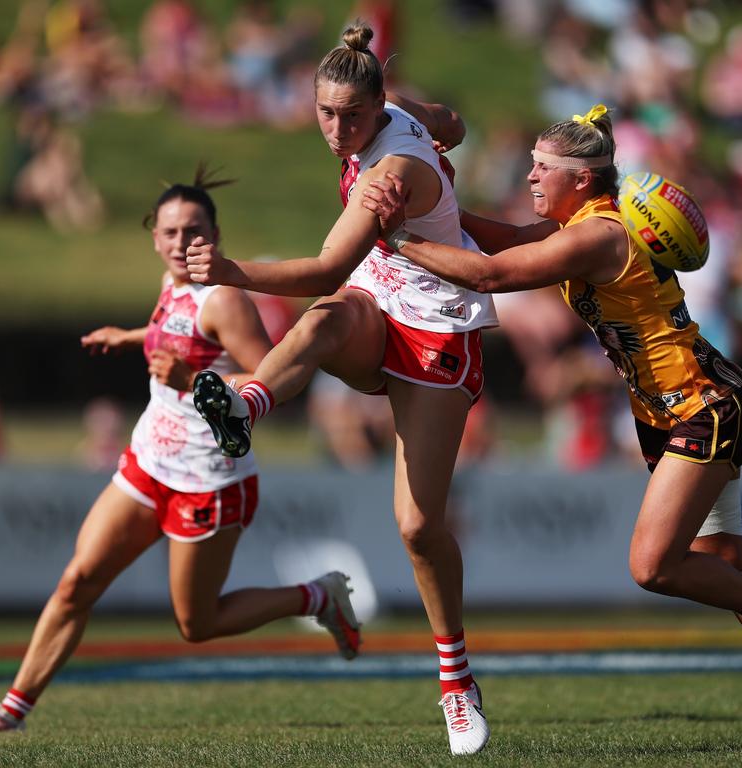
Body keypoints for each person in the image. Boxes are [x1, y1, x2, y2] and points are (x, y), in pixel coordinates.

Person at [361, 104, 742, 749]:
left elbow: (494, 273)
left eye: (542, 168)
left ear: (582, 180)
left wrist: (392, 236)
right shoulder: (581, 224)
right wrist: (434, 209)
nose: (530, 176)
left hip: (702, 407)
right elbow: (501, 238)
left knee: (652, 567)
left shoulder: (600, 235)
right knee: (722, 564)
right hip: (664, 415)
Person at [184, 23, 535, 756]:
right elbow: (455, 124)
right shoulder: (392, 112)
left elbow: (320, 267)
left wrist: (231, 270)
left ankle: (455, 680)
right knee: (327, 321)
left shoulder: (391, 174)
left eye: (350, 115)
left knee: (417, 527)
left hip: (439, 330)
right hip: (381, 305)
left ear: (376, 107)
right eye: (325, 114)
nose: (338, 130)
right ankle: (246, 406)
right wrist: (438, 122)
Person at [0, 168, 360, 735]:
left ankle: (317, 597)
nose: (181, 242)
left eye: (194, 231)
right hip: (149, 461)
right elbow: (174, 332)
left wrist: (194, 380)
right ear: (154, 237)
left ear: (215, 235)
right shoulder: (172, 283)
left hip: (209, 478)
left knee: (198, 623)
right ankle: (12, 711)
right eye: (169, 232)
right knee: (78, 582)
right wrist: (131, 337)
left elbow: (278, 381)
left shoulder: (225, 301)